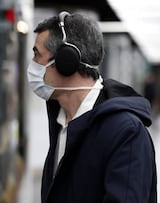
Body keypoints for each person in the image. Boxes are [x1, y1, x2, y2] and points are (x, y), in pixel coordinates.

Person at [27, 11, 157, 203]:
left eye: (38, 55)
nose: (33, 65)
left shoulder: (126, 132)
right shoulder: (62, 121)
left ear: (66, 61)